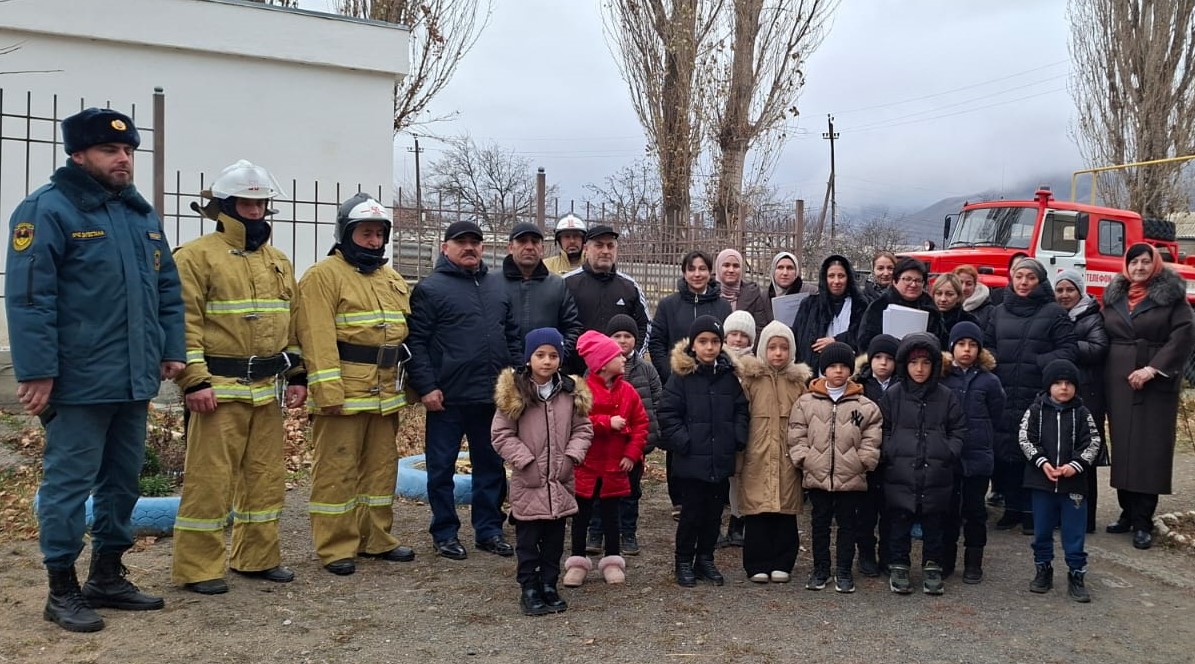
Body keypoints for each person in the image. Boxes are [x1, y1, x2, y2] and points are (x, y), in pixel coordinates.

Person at [5, 108, 185, 632]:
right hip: (78, 381)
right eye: (111, 151)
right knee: (68, 485)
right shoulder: (47, 210)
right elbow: (30, 298)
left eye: (128, 150)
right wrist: (37, 371)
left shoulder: (138, 214)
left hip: (132, 378)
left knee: (122, 482)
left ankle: (107, 575)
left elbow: (167, 291)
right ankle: (61, 588)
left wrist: (170, 348)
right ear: (78, 155)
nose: (123, 158)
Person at [171, 160, 306, 595]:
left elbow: (293, 323)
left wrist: (299, 374)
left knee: (265, 478)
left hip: (266, 391)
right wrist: (194, 380)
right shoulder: (195, 257)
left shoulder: (278, 261)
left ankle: (256, 558)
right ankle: (198, 568)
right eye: (248, 203)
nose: (256, 210)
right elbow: (182, 323)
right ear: (226, 206)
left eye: (262, 203)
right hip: (218, 390)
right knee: (209, 482)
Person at [294, 193, 416, 576]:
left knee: (380, 472)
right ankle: (335, 546)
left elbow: (405, 335)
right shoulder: (322, 276)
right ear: (346, 233)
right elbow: (315, 335)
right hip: (344, 391)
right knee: (337, 471)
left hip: (384, 393)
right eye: (366, 233)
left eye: (380, 234)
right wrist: (327, 391)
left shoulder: (391, 278)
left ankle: (376, 539)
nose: (374, 241)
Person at [407, 219, 522, 560]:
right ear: (446, 248)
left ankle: (489, 530)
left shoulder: (498, 287)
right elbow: (417, 342)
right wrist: (426, 386)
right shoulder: (430, 288)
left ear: (483, 248)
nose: (469, 247)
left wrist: (515, 379)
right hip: (447, 398)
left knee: (490, 467)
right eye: (461, 242)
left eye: (475, 242)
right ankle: (444, 532)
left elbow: (512, 336)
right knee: (440, 468)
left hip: (491, 399)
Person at [492, 328, 594, 616]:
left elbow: (583, 429)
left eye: (553, 355)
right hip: (529, 481)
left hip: (560, 483)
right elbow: (501, 434)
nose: (547, 361)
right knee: (527, 542)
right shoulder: (516, 393)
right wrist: (525, 460)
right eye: (540, 355)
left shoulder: (569, 393)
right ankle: (529, 587)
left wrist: (571, 456)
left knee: (553, 541)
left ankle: (549, 584)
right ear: (529, 358)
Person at [1101, 243, 1195, 550]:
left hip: (1154, 384)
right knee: (1124, 446)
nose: (1139, 267)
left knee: (1147, 450)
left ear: (1155, 265)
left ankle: (1143, 520)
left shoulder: (1171, 299)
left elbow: (1182, 336)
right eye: (1134, 262)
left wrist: (1152, 369)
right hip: (1118, 382)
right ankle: (1127, 512)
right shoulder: (1114, 297)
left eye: (1145, 262)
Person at [984, 257, 1076, 535]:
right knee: (1006, 451)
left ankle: (1032, 512)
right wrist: (994, 362)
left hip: (1036, 391)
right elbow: (987, 346)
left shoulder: (1053, 312)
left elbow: (1069, 349)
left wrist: (1038, 362)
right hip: (1003, 390)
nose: (1024, 282)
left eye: (1030, 278)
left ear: (1040, 281)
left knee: (1033, 451)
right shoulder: (998, 312)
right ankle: (1011, 509)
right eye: (1019, 276)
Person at [658, 316, 750, 587]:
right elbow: (667, 413)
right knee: (691, 515)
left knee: (713, 515)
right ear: (693, 345)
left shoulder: (728, 378)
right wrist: (684, 442)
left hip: (720, 459)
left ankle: (706, 559)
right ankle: (684, 560)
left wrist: (737, 437)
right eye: (703, 342)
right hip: (691, 461)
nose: (709, 347)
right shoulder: (682, 377)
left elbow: (741, 409)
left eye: (714, 342)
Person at [790, 342, 882, 594]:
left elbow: (872, 438)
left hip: (850, 477)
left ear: (851, 370)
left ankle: (843, 570)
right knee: (819, 524)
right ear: (824, 370)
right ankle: (820, 569)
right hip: (817, 475)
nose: (838, 371)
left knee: (847, 526)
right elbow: (797, 433)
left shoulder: (865, 405)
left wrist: (863, 462)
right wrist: (803, 459)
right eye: (832, 366)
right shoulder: (806, 402)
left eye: (843, 366)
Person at [880, 333, 966, 596]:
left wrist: (947, 453)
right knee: (899, 523)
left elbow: (959, 429)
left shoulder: (946, 396)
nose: (919, 369)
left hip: (936, 473)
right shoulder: (893, 395)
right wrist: (890, 450)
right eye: (914, 363)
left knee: (934, 524)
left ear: (935, 366)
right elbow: (880, 428)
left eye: (926, 363)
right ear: (904, 364)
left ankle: (933, 566)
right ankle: (899, 565)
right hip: (900, 472)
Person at [563, 331, 647, 587]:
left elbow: (641, 423)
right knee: (581, 515)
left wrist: (632, 454)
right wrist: (605, 423)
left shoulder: (629, 392)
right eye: (616, 356)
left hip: (614, 467)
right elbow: (576, 423)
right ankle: (577, 561)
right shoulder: (582, 392)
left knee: (613, 515)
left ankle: (612, 559)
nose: (623, 359)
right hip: (587, 467)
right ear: (601, 363)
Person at [736, 321, 812, 583]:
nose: (778, 353)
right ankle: (757, 562)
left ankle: (782, 561)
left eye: (783, 347)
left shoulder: (798, 383)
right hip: (757, 455)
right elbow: (740, 417)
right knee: (757, 512)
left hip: (787, 456)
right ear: (762, 350)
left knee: (785, 511)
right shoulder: (750, 381)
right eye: (772, 347)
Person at [1020, 359, 1101, 603]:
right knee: (1042, 530)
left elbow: (1093, 442)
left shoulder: (1083, 413)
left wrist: (1074, 466)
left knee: (1074, 533)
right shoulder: (1035, 410)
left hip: (1073, 484)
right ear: (1048, 386)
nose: (1063, 388)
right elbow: (1025, 438)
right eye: (1057, 383)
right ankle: (1043, 569)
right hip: (1042, 482)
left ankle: (1076, 573)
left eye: (1068, 383)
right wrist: (1042, 462)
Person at [585, 315, 661, 557]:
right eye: (616, 336)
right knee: (598, 493)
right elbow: (583, 411)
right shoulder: (592, 373)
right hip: (602, 446)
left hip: (633, 447)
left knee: (630, 493)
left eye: (627, 336)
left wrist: (645, 443)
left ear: (636, 340)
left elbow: (656, 404)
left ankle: (628, 533)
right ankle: (595, 532)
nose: (622, 341)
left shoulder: (646, 370)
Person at [940, 321, 1004, 583]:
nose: (966, 350)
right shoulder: (942, 378)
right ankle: (945, 561)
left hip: (978, 456)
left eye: (972, 345)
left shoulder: (989, 381)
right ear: (952, 347)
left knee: (975, 511)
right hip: (948, 457)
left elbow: (998, 414)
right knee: (948, 510)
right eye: (961, 344)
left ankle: (973, 562)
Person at [1053, 269, 1109, 533]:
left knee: (1085, 454)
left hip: (1087, 394)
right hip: (1063, 392)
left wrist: (1067, 344)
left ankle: (1086, 519)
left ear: (1080, 291)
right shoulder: (1056, 317)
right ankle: (1062, 514)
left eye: (1069, 290)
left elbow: (1098, 348)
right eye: (1060, 290)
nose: (1064, 295)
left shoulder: (1091, 317)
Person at [564, 224, 651, 370]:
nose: (605, 251)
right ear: (586, 249)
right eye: (599, 245)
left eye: (610, 246)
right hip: (576, 376)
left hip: (619, 375)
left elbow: (645, 325)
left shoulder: (630, 287)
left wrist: (632, 360)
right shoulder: (567, 284)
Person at [501, 222, 584, 360]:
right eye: (522, 241)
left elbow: (573, 327)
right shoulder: (492, 283)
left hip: (545, 375)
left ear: (542, 249)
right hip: (502, 372)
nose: (529, 247)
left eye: (535, 242)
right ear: (510, 247)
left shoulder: (557, 285)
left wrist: (557, 357)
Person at [648, 250, 732, 384]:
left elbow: (728, 345)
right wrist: (668, 374)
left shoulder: (723, 306)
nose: (697, 274)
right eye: (691, 269)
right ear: (684, 273)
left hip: (714, 381)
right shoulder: (668, 305)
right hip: (676, 382)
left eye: (702, 269)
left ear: (710, 272)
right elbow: (656, 343)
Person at [854, 333, 899, 577]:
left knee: (890, 512)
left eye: (889, 358)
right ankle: (866, 553)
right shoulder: (859, 386)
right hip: (866, 460)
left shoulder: (902, 386)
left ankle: (889, 554)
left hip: (893, 459)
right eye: (878, 357)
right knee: (866, 512)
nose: (883, 363)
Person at [792, 254, 869, 367]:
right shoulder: (809, 305)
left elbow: (864, 336)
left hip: (852, 372)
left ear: (848, 278)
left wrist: (837, 341)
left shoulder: (860, 305)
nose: (836, 281)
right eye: (831, 276)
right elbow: (799, 341)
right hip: (816, 376)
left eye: (841, 276)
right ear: (824, 278)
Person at [857, 256, 947, 353]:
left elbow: (941, 343)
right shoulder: (879, 307)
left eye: (918, 280)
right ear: (895, 281)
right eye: (907, 279)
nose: (913, 284)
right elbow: (865, 342)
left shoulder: (931, 309)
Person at [716, 248, 771, 331]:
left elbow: (760, 328)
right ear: (719, 267)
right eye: (726, 265)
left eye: (736, 266)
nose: (731, 270)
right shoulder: (708, 293)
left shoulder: (753, 295)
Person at [764, 251, 816, 321]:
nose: (785, 273)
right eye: (780, 267)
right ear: (773, 271)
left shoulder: (812, 293)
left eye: (790, 268)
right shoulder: (764, 297)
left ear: (796, 272)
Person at [931, 272, 977, 336]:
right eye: (939, 293)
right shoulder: (926, 317)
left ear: (958, 296)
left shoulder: (969, 321)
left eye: (949, 294)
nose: (943, 299)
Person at [953, 265, 997, 330]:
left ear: (975, 285)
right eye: (960, 282)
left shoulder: (990, 312)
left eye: (969, 284)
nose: (963, 288)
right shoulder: (945, 306)